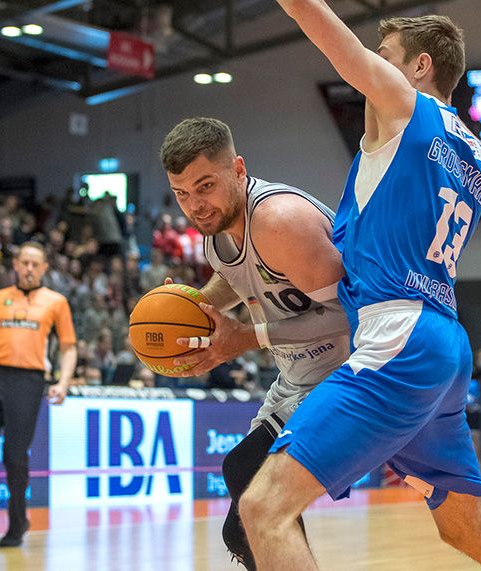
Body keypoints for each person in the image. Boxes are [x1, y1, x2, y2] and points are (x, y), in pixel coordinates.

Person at [240, 5, 481, 570]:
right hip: (445, 342)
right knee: (467, 527)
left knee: (263, 507)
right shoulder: (472, 153)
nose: (373, 69)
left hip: (397, 333)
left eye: (386, 59)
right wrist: (466, 142)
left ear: (420, 67)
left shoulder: (405, 105)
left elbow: (336, 45)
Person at [159, 117, 350, 569]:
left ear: (238, 169)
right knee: (247, 514)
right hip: (300, 375)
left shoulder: (279, 222)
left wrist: (246, 338)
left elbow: (350, 316)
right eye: (182, 194)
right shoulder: (216, 237)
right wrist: (187, 309)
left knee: (247, 483)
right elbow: (236, 278)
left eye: (205, 185)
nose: (195, 205)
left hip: (354, 372)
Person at [0, 242, 77, 552]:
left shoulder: (56, 302)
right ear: (16, 266)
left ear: (45, 268)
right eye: (25, 262)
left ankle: (18, 521)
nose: (30, 268)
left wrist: (62, 381)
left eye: (36, 263)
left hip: (30, 381)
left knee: (15, 457)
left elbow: (68, 347)